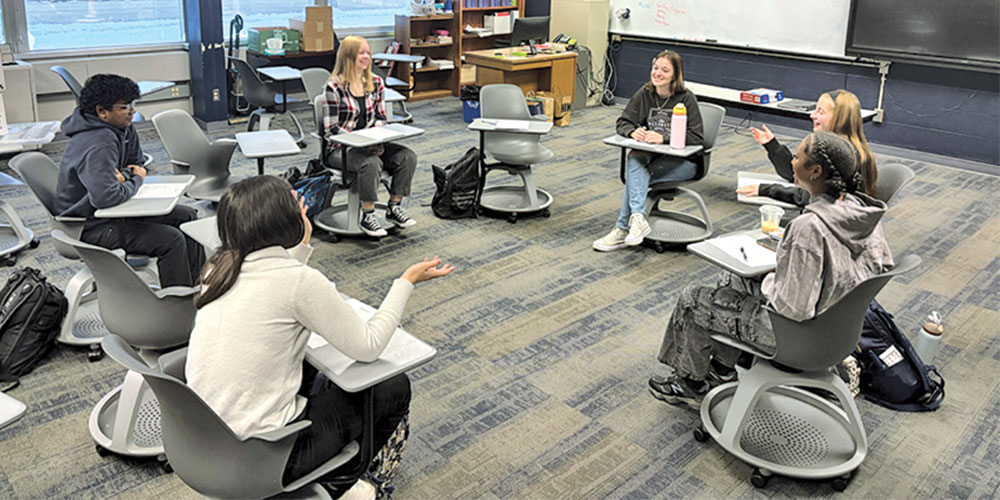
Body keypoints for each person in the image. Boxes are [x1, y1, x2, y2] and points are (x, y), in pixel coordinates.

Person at [185, 176, 454, 498]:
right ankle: (344, 485)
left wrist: (298, 247)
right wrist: (405, 282)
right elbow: (367, 347)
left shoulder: (218, 267)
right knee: (391, 387)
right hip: (263, 453)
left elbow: (277, 288)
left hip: (204, 439)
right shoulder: (299, 282)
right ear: (290, 221)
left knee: (315, 370)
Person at [649, 131, 893, 410]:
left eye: (798, 156)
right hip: (838, 331)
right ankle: (722, 367)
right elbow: (878, 266)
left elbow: (793, 308)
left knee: (692, 300)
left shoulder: (808, 228)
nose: (792, 161)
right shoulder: (863, 213)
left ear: (815, 171)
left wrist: (770, 281)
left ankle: (691, 384)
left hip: (798, 338)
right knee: (733, 277)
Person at [54, 73, 204, 288]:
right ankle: (178, 306)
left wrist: (124, 175)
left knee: (187, 215)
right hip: (89, 225)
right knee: (170, 240)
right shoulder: (98, 143)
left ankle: (199, 289)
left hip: (116, 212)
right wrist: (134, 178)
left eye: (132, 104)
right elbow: (106, 197)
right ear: (102, 112)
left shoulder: (123, 128)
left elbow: (138, 164)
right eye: (124, 107)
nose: (132, 111)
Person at [593, 49, 704, 251]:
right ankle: (637, 221)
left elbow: (697, 137)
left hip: (685, 163)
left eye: (664, 70)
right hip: (652, 158)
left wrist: (664, 138)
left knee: (636, 176)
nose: (657, 73)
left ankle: (622, 228)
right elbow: (623, 122)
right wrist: (633, 132)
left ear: (675, 75)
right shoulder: (645, 93)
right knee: (635, 157)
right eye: (655, 68)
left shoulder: (686, 98)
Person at [323, 35, 418, 238]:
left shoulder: (376, 82)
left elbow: (382, 118)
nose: (367, 57)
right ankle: (368, 215)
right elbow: (331, 130)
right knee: (371, 163)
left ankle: (394, 207)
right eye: (361, 53)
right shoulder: (334, 87)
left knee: (407, 157)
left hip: (373, 143)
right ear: (349, 56)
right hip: (341, 149)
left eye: (368, 52)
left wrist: (379, 139)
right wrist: (362, 143)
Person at [738, 89, 877, 207]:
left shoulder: (841, 156)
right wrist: (771, 145)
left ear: (838, 119)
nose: (812, 115)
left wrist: (767, 190)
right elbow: (798, 174)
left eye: (820, 112)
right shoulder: (840, 147)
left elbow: (806, 197)